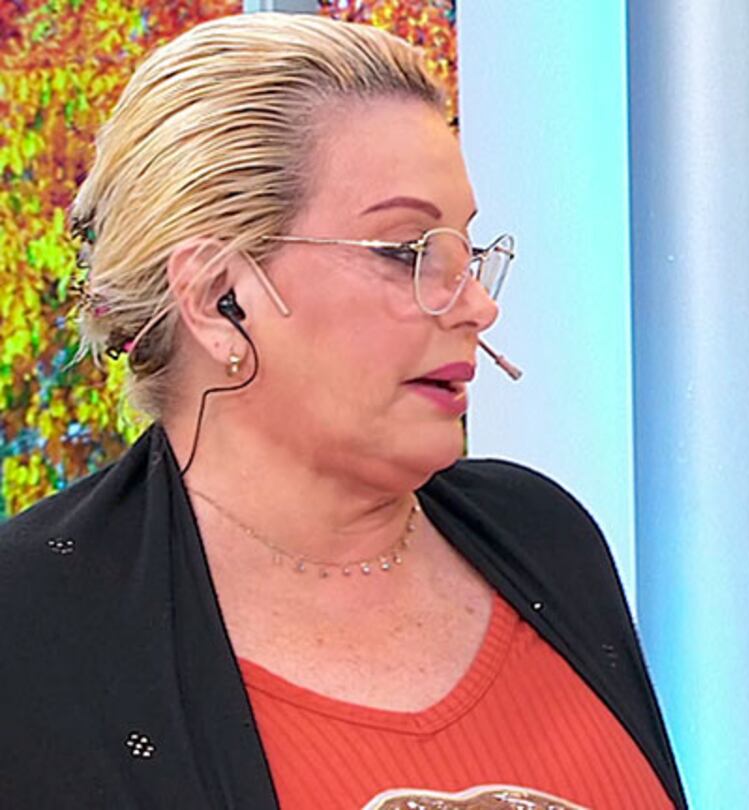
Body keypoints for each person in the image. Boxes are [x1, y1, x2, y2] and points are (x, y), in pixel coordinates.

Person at [0, 13, 684, 809]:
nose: (477, 308)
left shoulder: (542, 536)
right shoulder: (32, 628)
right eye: (407, 252)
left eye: (466, 253)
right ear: (219, 299)